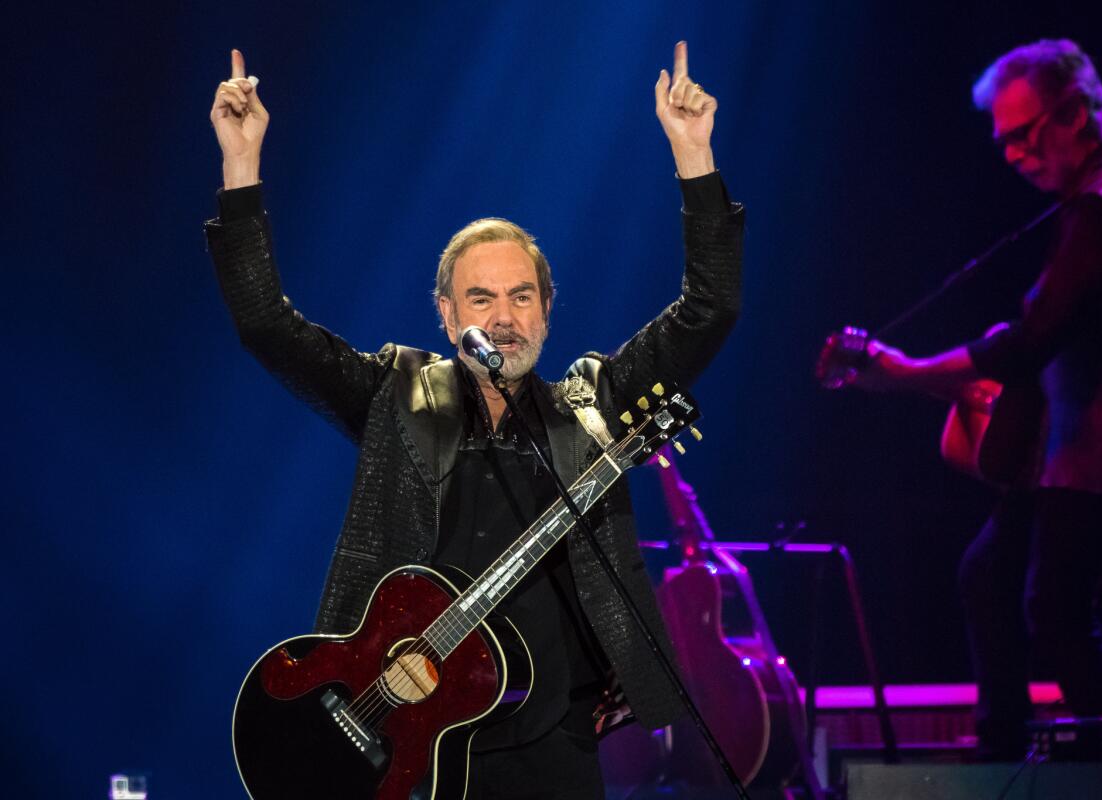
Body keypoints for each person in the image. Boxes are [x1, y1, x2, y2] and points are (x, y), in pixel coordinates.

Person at [205, 43, 742, 798]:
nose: (506, 318)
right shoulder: (396, 397)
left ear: (549, 315)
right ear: (446, 313)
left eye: (523, 297)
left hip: (553, 747)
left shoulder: (595, 408)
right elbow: (266, 326)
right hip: (401, 743)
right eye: (482, 299)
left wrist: (695, 156)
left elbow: (710, 309)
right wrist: (241, 168)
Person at [826, 39, 1102, 760]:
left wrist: (904, 372)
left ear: (1077, 113)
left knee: (1054, 609)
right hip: (1078, 451)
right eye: (1002, 141)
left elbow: (1031, 340)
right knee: (989, 574)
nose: (1012, 155)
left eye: (1023, 136)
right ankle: (1003, 740)